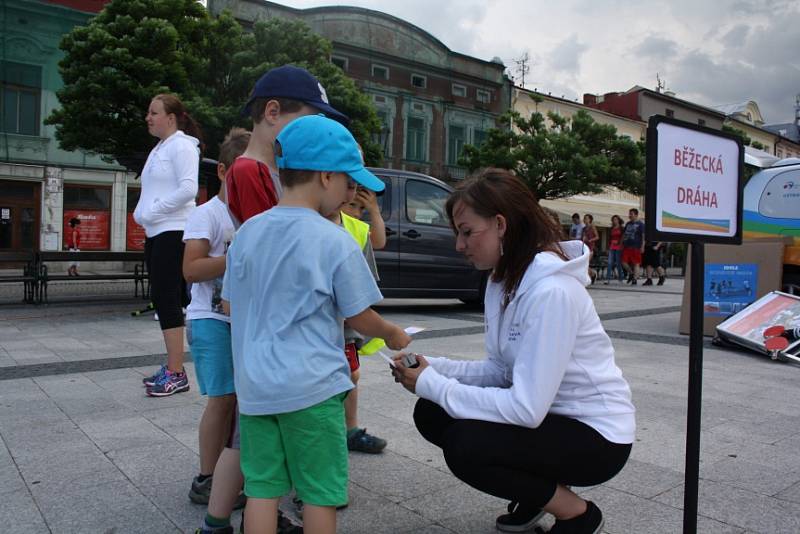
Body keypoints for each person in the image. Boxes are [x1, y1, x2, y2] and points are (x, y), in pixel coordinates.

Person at [391, 169, 635, 534]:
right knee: (432, 412)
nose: (459, 245)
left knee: (465, 444)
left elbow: (525, 408)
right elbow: (501, 371)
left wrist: (433, 383)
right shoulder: (501, 280)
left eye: (467, 231)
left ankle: (578, 513)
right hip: (552, 420)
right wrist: (436, 369)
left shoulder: (551, 292)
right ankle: (537, 494)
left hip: (597, 435)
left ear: (501, 225)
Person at [222, 115, 411, 534]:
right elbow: (359, 316)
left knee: (262, 492)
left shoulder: (248, 233)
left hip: (255, 389)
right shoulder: (335, 240)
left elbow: (231, 306)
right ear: (326, 176)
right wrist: (394, 334)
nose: (350, 193)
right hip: (312, 389)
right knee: (320, 494)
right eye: (349, 182)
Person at [183, 128, 249, 510]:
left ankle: (232, 473)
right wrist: (238, 257)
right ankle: (206, 479)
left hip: (244, 322)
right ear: (224, 171)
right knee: (223, 399)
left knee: (242, 401)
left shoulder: (255, 213)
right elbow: (191, 268)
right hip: (209, 318)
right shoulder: (207, 214)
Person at [226, 64, 350, 228]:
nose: (315, 132)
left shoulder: (277, 171)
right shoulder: (250, 170)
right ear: (272, 112)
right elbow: (274, 241)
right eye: (309, 121)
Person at [135, 93, 202, 397]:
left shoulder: (182, 146)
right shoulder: (160, 148)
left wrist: (152, 211)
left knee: (168, 300)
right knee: (162, 299)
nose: (148, 118)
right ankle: (173, 366)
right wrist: (144, 213)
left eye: (153, 112)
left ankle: (177, 372)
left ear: (171, 118)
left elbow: (188, 189)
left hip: (173, 231)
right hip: (156, 232)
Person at [621, 208, 645, 286]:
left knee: (636, 263)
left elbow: (643, 236)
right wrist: (621, 243)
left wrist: (642, 246)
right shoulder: (628, 224)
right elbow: (624, 234)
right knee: (623, 262)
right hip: (627, 246)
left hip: (636, 247)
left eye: (631, 214)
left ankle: (635, 279)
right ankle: (631, 273)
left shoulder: (641, 224)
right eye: (629, 213)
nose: (630, 215)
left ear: (636, 215)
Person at [604, 215, 624, 284]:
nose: (614, 221)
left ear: (618, 220)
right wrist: (607, 248)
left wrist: (620, 244)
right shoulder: (611, 228)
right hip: (611, 247)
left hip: (619, 247)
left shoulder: (621, 228)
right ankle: (608, 279)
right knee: (609, 263)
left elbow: (623, 237)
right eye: (613, 220)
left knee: (618, 263)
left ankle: (620, 278)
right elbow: (608, 239)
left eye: (616, 219)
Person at [581, 214, 598, 284]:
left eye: (586, 218)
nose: (585, 220)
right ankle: (592, 273)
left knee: (585, 263)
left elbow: (597, 237)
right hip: (584, 247)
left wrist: (591, 240)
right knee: (583, 264)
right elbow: (583, 237)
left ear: (590, 220)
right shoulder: (584, 228)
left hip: (590, 248)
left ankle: (591, 275)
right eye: (584, 218)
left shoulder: (592, 227)